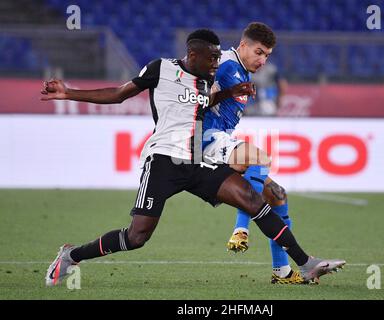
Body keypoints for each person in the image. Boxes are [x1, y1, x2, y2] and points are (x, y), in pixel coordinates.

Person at [41, 29, 345, 287]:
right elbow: (119, 93)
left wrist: (229, 93)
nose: (216, 64)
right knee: (137, 237)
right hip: (162, 160)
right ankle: (72, 255)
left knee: (254, 200)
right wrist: (69, 92)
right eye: (212, 59)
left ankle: (306, 263)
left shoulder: (204, 81)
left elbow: (204, 103)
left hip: (197, 159)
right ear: (193, 54)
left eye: (217, 58)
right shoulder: (161, 69)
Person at [202, 23, 335, 284]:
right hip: (206, 141)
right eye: (259, 52)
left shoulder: (241, 71)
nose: (263, 60)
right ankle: (241, 228)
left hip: (222, 141)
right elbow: (201, 97)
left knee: (277, 195)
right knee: (260, 157)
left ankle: (282, 272)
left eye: (267, 55)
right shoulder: (226, 65)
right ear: (243, 46)